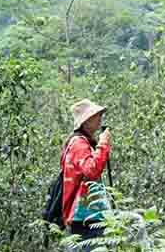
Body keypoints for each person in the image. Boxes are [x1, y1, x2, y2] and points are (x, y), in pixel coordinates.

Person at [62, 99, 112, 251]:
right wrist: (103, 145)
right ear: (86, 121)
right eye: (96, 115)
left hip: (89, 216)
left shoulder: (83, 142)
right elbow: (91, 170)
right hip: (85, 217)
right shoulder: (78, 144)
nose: (99, 118)